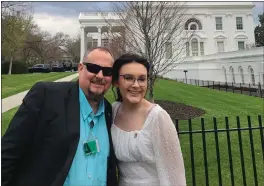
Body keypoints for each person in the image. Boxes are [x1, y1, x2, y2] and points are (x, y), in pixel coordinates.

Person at [1, 47, 118, 186]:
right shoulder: (46, 96)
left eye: (107, 71)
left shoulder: (109, 112)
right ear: (80, 68)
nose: (99, 75)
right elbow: (7, 154)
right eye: (93, 68)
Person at [111, 53, 186, 186]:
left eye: (141, 79)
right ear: (116, 81)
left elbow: (175, 174)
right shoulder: (113, 111)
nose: (136, 85)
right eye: (128, 78)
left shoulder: (158, 117)